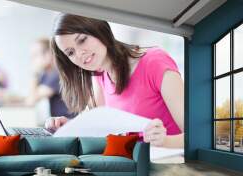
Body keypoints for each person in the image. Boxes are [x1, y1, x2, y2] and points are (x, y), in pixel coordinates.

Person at [45, 14, 184, 148]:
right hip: (133, 166)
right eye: (70, 52)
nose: (80, 54)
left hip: (170, 165)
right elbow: (94, 127)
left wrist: (165, 141)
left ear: (98, 29)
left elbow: (198, 136)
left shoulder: (154, 62)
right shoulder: (100, 76)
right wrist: (67, 126)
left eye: (82, 40)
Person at [25, 38, 74, 118]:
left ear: (48, 54)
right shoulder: (46, 74)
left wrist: (34, 73)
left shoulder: (57, 74)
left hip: (68, 122)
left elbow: (31, 100)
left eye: (35, 55)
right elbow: (31, 96)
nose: (32, 60)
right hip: (59, 122)